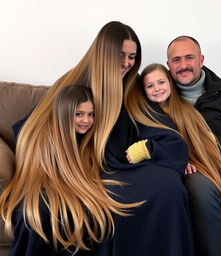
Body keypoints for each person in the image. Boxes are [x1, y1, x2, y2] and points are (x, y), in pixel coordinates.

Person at [0, 21, 194, 256]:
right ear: (104, 53)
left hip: (119, 166)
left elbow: (158, 130)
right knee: (44, 209)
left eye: (132, 57)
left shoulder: (132, 87)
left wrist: (154, 149)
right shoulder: (70, 84)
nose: (126, 63)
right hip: (78, 168)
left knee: (167, 188)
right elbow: (34, 128)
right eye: (120, 55)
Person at [167, 35, 221, 256]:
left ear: (201, 60)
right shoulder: (160, 95)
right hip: (198, 170)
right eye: (176, 60)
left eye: (189, 57)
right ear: (169, 65)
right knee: (200, 192)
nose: (183, 65)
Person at [126, 63, 221, 220]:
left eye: (161, 82)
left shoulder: (186, 111)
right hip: (164, 172)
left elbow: (204, 145)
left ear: (170, 83)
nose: (157, 88)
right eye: (150, 85)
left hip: (195, 167)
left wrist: (182, 158)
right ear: (143, 91)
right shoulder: (143, 117)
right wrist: (174, 159)